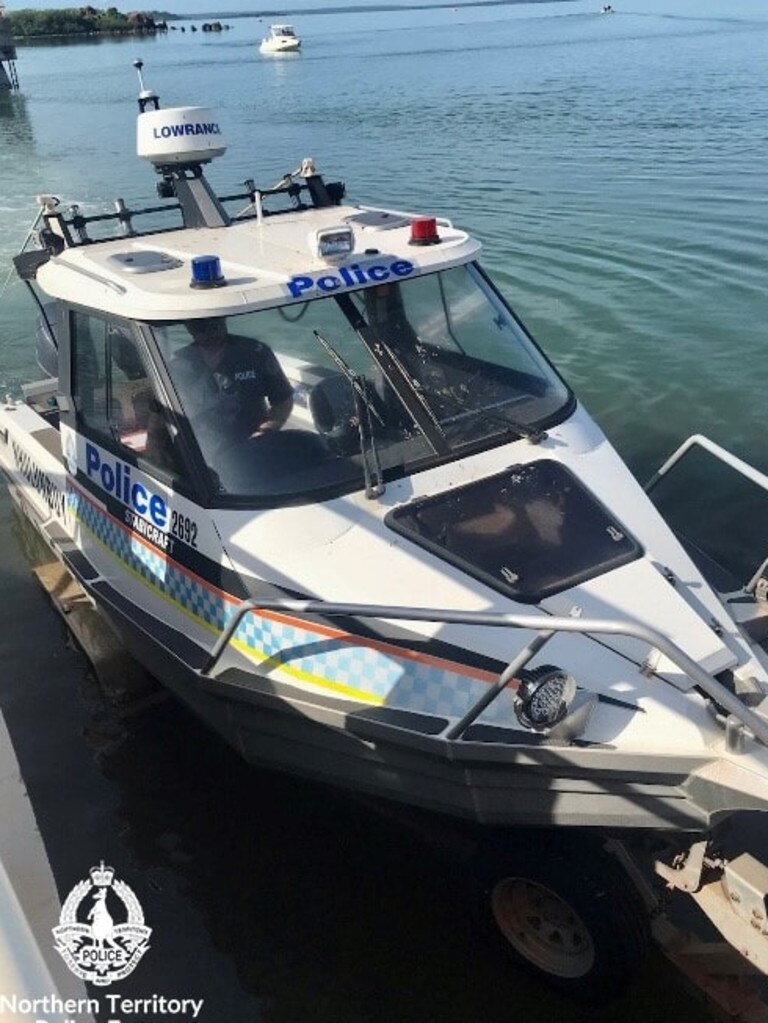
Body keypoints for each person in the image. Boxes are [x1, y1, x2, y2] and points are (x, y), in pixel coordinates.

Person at [169, 317, 294, 461]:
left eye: (214, 326)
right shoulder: (178, 363)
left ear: (223, 321)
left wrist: (265, 431)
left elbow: (283, 400)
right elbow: (163, 414)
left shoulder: (255, 352)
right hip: (203, 451)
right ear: (189, 328)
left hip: (252, 447)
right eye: (200, 328)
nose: (209, 333)